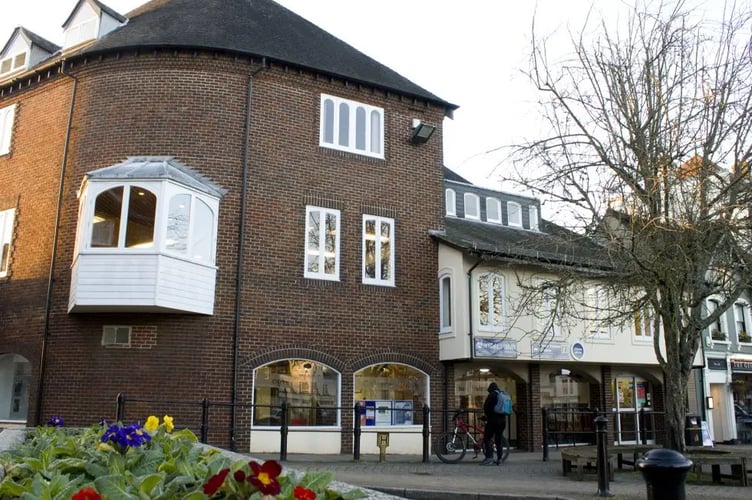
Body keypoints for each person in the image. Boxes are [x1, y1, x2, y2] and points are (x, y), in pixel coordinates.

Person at [480, 382, 506, 465]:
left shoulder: (492, 395)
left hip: (493, 421)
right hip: (502, 421)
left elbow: (486, 407)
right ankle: (500, 459)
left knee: (487, 439)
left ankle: (489, 458)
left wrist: (486, 417)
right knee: (498, 441)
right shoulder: (502, 395)